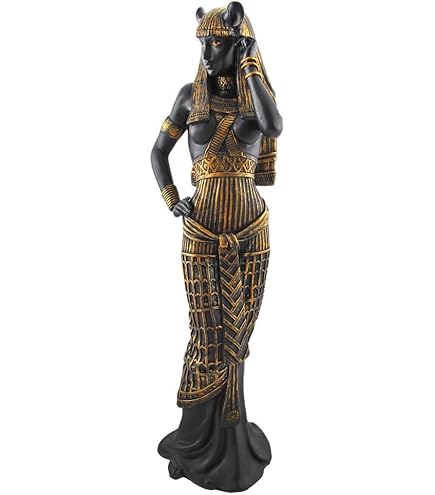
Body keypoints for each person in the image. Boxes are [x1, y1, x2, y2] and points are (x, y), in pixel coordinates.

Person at [151, 2, 283, 491]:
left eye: (219, 43)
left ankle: (233, 439)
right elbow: (157, 151)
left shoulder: (254, 100)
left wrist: (250, 63)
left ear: (239, 45)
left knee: (238, 341)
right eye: (203, 44)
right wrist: (172, 199)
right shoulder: (190, 98)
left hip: (251, 235)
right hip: (201, 236)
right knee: (207, 338)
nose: (208, 53)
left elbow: (273, 126)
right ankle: (194, 441)